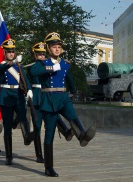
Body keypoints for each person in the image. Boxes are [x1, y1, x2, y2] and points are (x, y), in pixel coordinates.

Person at [30, 32, 96, 177]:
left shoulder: (65, 64)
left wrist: (73, 90)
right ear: (48, 48)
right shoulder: (42, 63)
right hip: (49, 98)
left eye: (59, 46)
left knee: (72, 116)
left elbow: (69, 78)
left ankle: (82, 136)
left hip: (63, 97)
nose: (57, 49)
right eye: (54, 46)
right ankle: (49, 167)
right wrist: (51, 68)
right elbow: (34, 71)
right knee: (49, 134)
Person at [26, 42, 75, 163]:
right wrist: (28, 90)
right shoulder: (33, 67)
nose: (41, 56)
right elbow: (26, 79)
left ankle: (66, 131)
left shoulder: (48, 64)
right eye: (39, 54)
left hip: (47, 97)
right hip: (37, 98)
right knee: (37, 127)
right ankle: (38, 152)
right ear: (35, 55)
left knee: (54, 115)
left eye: (43, 54)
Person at [0, 38, 35, 165]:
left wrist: (29, 89)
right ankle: (8, 155)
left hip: (18, 94)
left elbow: (24, 78)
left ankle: (26, 136)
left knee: (23, 116)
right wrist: (11, 63)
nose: (11, 54)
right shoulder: (0, 65)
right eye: (9, 52)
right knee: (7, 128)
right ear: (5, 53)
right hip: (6, 96)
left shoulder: (19, 66)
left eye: (13, 52)